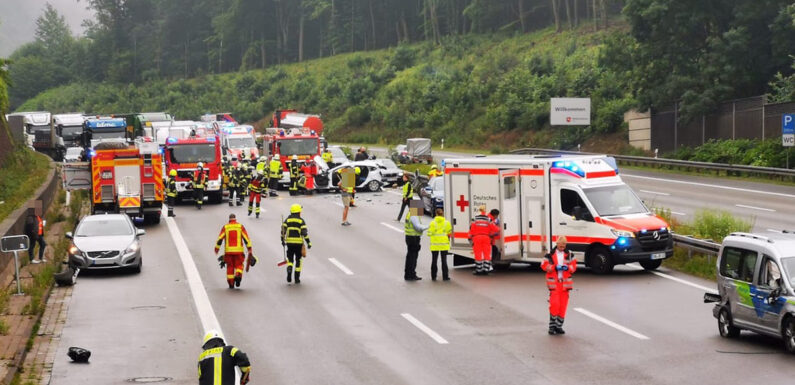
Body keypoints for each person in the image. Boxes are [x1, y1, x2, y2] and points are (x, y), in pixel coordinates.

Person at [541, 236, 576, 335]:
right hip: (554, 283)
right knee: (555, 304)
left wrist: (568, 268)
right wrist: (554, 267)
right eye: (560, 246)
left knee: (563, 306)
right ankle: (552, 326)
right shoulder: (549, 255)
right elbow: (543, 265)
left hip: (565, 284)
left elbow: (574, 267)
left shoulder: (570, 255)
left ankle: (559, 326)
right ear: (557, 244)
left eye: (563, 246)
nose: (562, 248)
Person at [214, 214, 254, 289]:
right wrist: (249, 249)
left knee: (230, 267)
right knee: (239, 265)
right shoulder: (240, 227)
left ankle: (231, 283)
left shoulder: (225, 227)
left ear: (229, 219)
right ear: (235, 219)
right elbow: (246, 238)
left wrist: (217, 249)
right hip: (238, 251)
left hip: (228, 252)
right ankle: (238, 274)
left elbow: (220, 239)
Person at [281, 204, 312, 284]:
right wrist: (308, 242)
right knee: (298, 260)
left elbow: (283, 231)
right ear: (298, 212)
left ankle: (289, 269)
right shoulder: (301, 221)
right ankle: (297, 278)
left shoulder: (287, 220)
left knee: (290, 259)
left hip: (289, 243)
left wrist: (282, 240)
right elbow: (304, 233)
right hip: (298, 244)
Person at [468, 205, 499, 275]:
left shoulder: (475, 219)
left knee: (478, 254)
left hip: (477, 238)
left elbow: (471, 229)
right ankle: (486, 269)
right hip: (486, 238)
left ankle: (479, 270)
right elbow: (496, 229)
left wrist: (470, 238)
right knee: (487, 254)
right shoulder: (488, 219)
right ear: (485, 211)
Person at [403, 202, 428, 281]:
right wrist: (429, 226)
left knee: (410, 257)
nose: (421, 210)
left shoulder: (410, 214)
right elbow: (418, 227)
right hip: (413, 238)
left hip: (410, 237)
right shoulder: (413, 215)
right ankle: (411, 274)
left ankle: (408, 274)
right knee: (413, 257)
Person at [427, 208, 452, 281]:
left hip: (434, 245)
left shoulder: (432, 223)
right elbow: (449, 232)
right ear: (442, 214)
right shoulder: (447, 223)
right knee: (444, 261)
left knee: (434, 260)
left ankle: (433, 276)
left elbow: (429, 233)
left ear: (436, 214)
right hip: (444, 244)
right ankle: (445, 276)